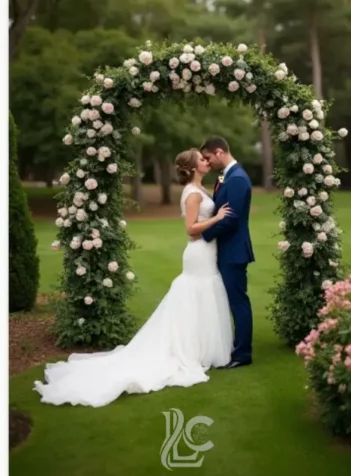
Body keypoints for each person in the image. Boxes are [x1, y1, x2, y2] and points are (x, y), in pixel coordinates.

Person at [34, 149, 234, 407]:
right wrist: (217, 218)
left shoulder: (199, 189)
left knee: (202, 297)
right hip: (199, 252)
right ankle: (188, 351)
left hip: (208, 252)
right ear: (193, 167)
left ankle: (200, 349)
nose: (207, 161)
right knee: (195, 294)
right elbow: (191, 229)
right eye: (202, 159)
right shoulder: (193, 194)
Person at [200, 136, 255, 368]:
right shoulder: (226, 176)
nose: (208, 162)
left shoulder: (238, 179)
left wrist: (204, 235)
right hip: (225, 249)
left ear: (220, 152)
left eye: (209, 157)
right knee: (228, 301)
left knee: (237, 302)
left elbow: (231, 218)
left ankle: (243, 354)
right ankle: (233, 346)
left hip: (233, 251)